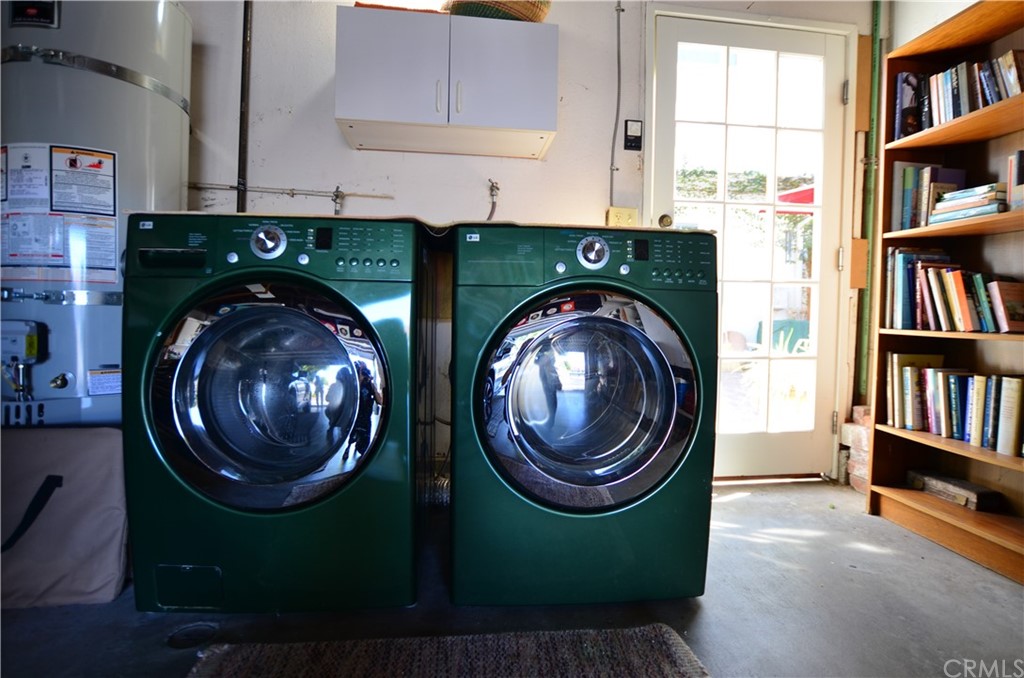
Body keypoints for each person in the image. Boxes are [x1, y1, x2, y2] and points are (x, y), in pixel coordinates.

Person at [345, 362, 383, 460]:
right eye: (361, 371)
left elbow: (380, 401)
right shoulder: (353, 384)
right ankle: (348, 449)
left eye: (365, 370)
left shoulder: (370, 385)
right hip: (355, 417)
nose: (364, 373)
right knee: (352, 437)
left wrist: (372, 385)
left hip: (366, 418)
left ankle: (361, 454)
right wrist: (360, 379)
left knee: (364, 443)